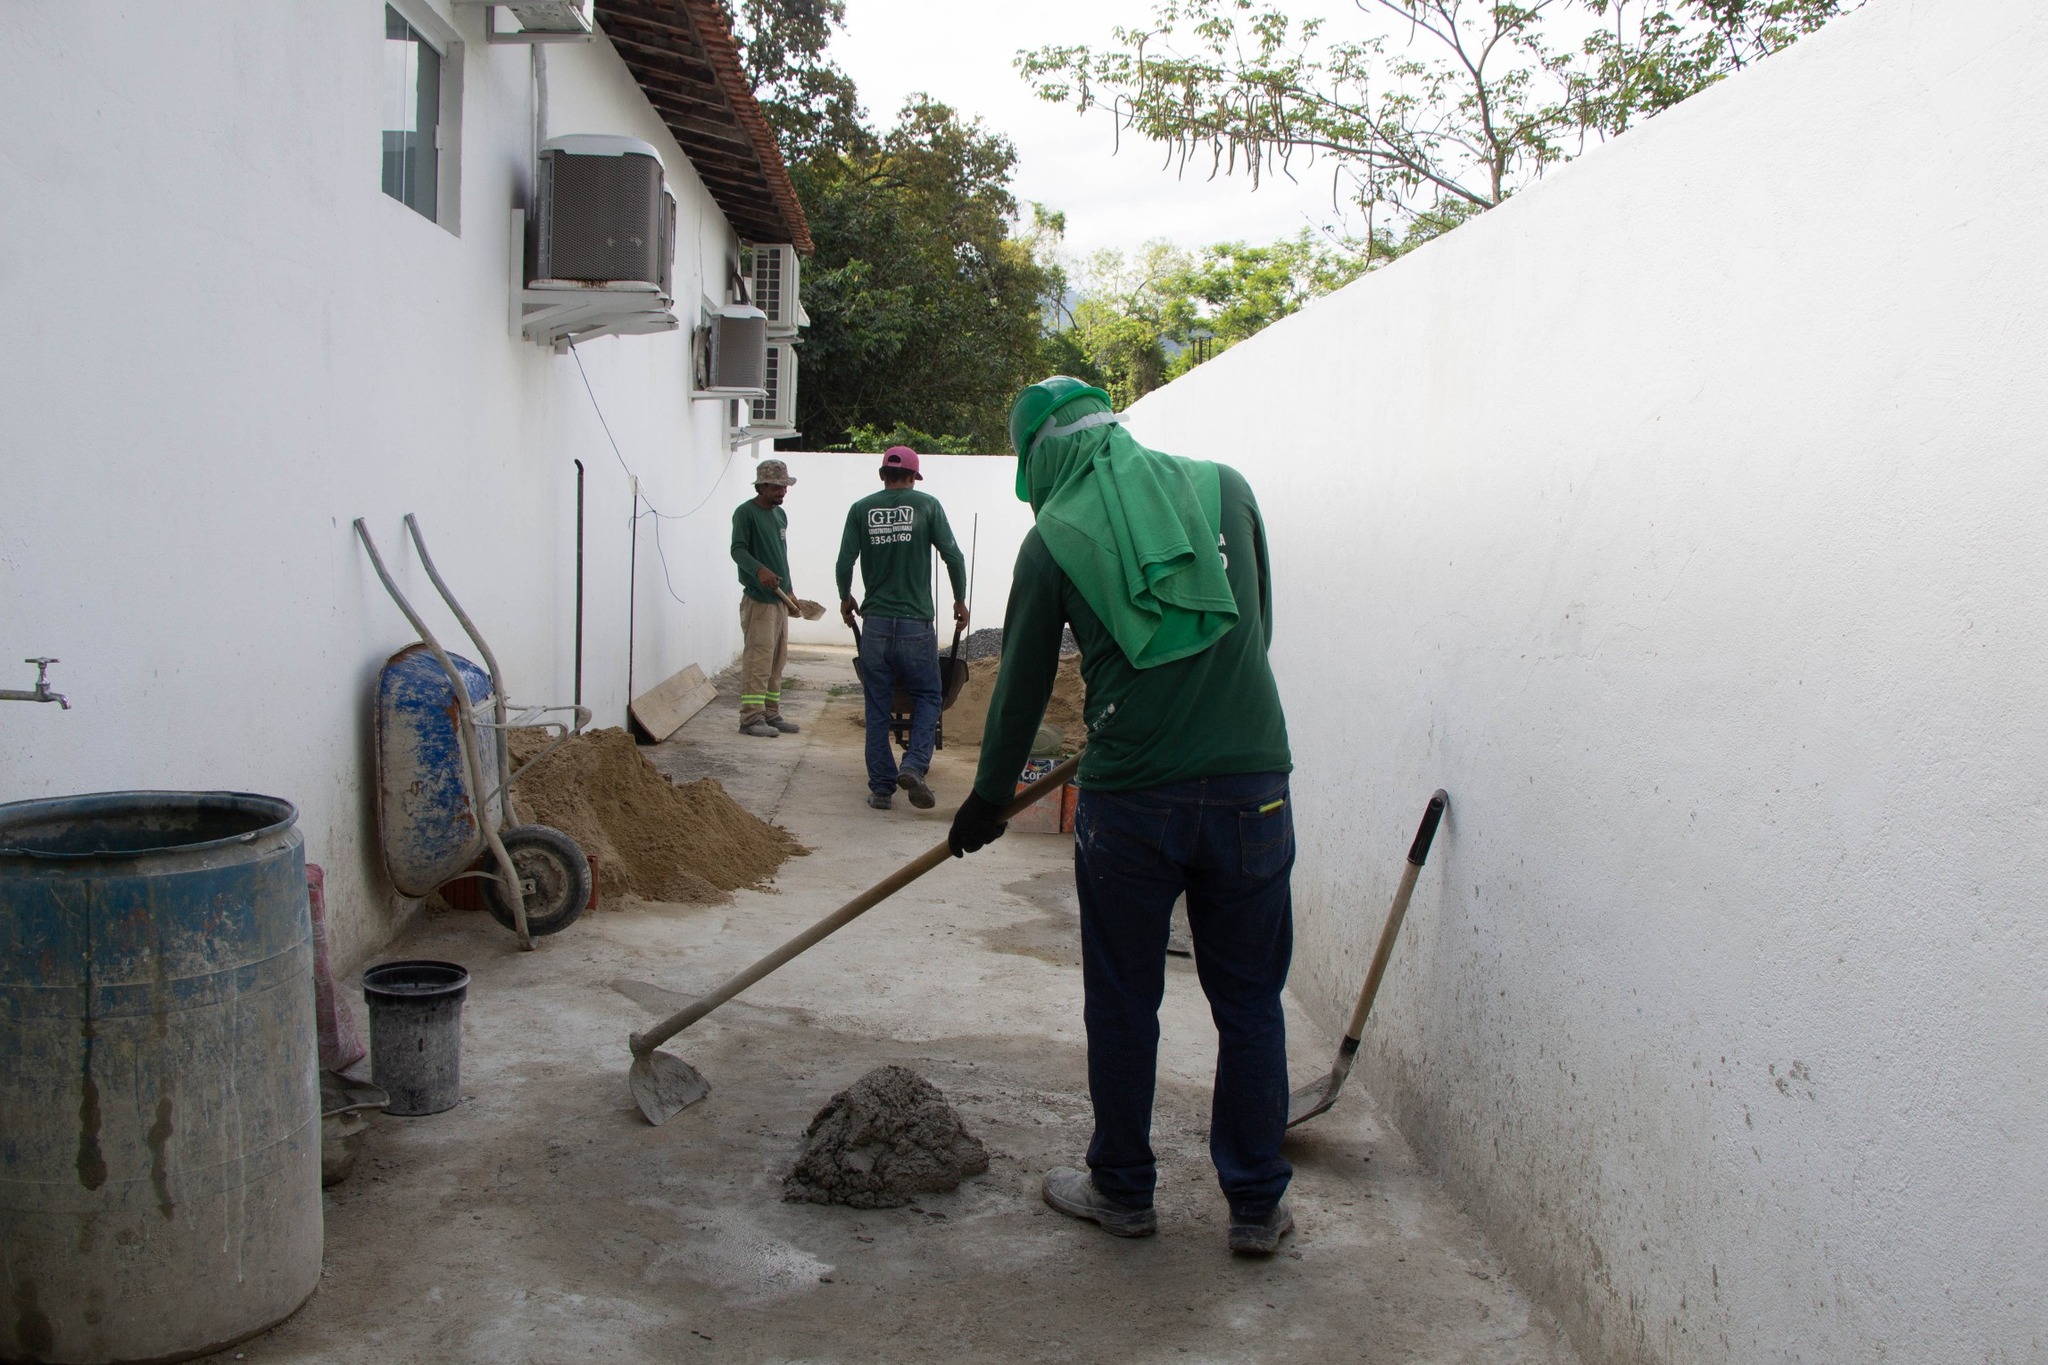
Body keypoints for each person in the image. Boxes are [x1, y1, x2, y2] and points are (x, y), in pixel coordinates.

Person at [946, 378, 1296, 1256]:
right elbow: (1253, 632)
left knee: (1126, 999)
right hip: (1253, 782)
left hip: (1132, 798)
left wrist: (988, 803)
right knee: (1251, 1001)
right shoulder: (1226, 487)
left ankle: (1123, 1191)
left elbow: (1019, 695)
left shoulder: (1051, 542)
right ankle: (1256, 1206)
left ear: (1042, 455)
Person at [836, 446, 969, 810]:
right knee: (929, 697)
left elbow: (845, 561)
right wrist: (959, 600)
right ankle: (913, 765)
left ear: (883, 476)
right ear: (913, 478)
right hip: (915, 626)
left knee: (877, 706)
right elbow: (953, 555)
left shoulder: (861, 509)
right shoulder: (927, 505)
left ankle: (881, 789)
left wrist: (846, 598)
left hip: (875, 626)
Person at [729, 459, 802, 738]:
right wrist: (758, 570)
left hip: (779, 600)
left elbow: (781, 557)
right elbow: (737, 550)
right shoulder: (745, 514)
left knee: (777, 660)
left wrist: (790, 591)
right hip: (759, 601)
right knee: (759, 660)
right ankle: (750, 718)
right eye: (776, 487)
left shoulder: (780, 516)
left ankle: (771, 713)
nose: (782, 492)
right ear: (762, 486)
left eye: (785, 486)